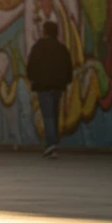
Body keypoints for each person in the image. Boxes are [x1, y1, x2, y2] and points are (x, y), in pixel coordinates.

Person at [26, 20, 73, 158]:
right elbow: (68, 67)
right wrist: (65, 82)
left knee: (48, 115)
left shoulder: (38, 47)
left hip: (43, 86)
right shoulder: (61, 48)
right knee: (54, 114)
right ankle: (54, 143)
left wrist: (33, 80)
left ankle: (51, 145)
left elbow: (31, 65)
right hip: (58, 86)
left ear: (45, 31)